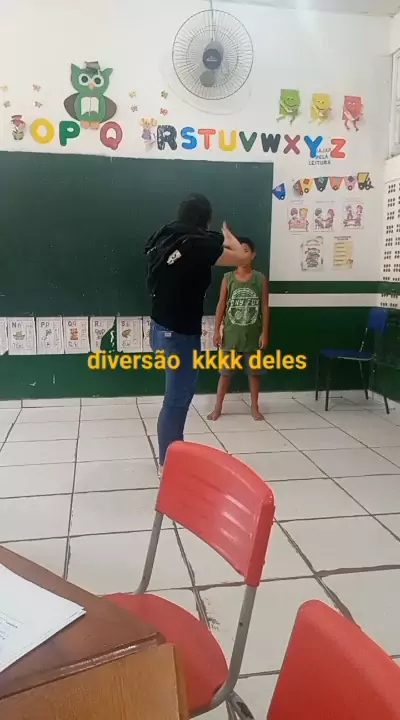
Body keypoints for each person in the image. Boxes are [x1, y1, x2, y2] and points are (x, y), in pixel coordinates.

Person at [144, 193, 248, 472]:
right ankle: (169, 464)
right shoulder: (198, 245)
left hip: (159, 329)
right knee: (177, 401)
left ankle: (169, 456)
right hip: (179, 335)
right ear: (206, 219)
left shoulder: (166, 237)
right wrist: (227, 234)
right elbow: (242, 256)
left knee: (174, 399)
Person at [208, 237, 269, 421]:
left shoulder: (260, 279)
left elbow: (265, 307)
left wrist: (265, 333)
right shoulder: (228, 278)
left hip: (253, 335)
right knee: (225, 374)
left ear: (253, 255)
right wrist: (216, 331)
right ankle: (218, 407)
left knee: (254, 374)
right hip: (230, 335)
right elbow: (221, 304)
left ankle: (255, 407)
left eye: (245, 251)